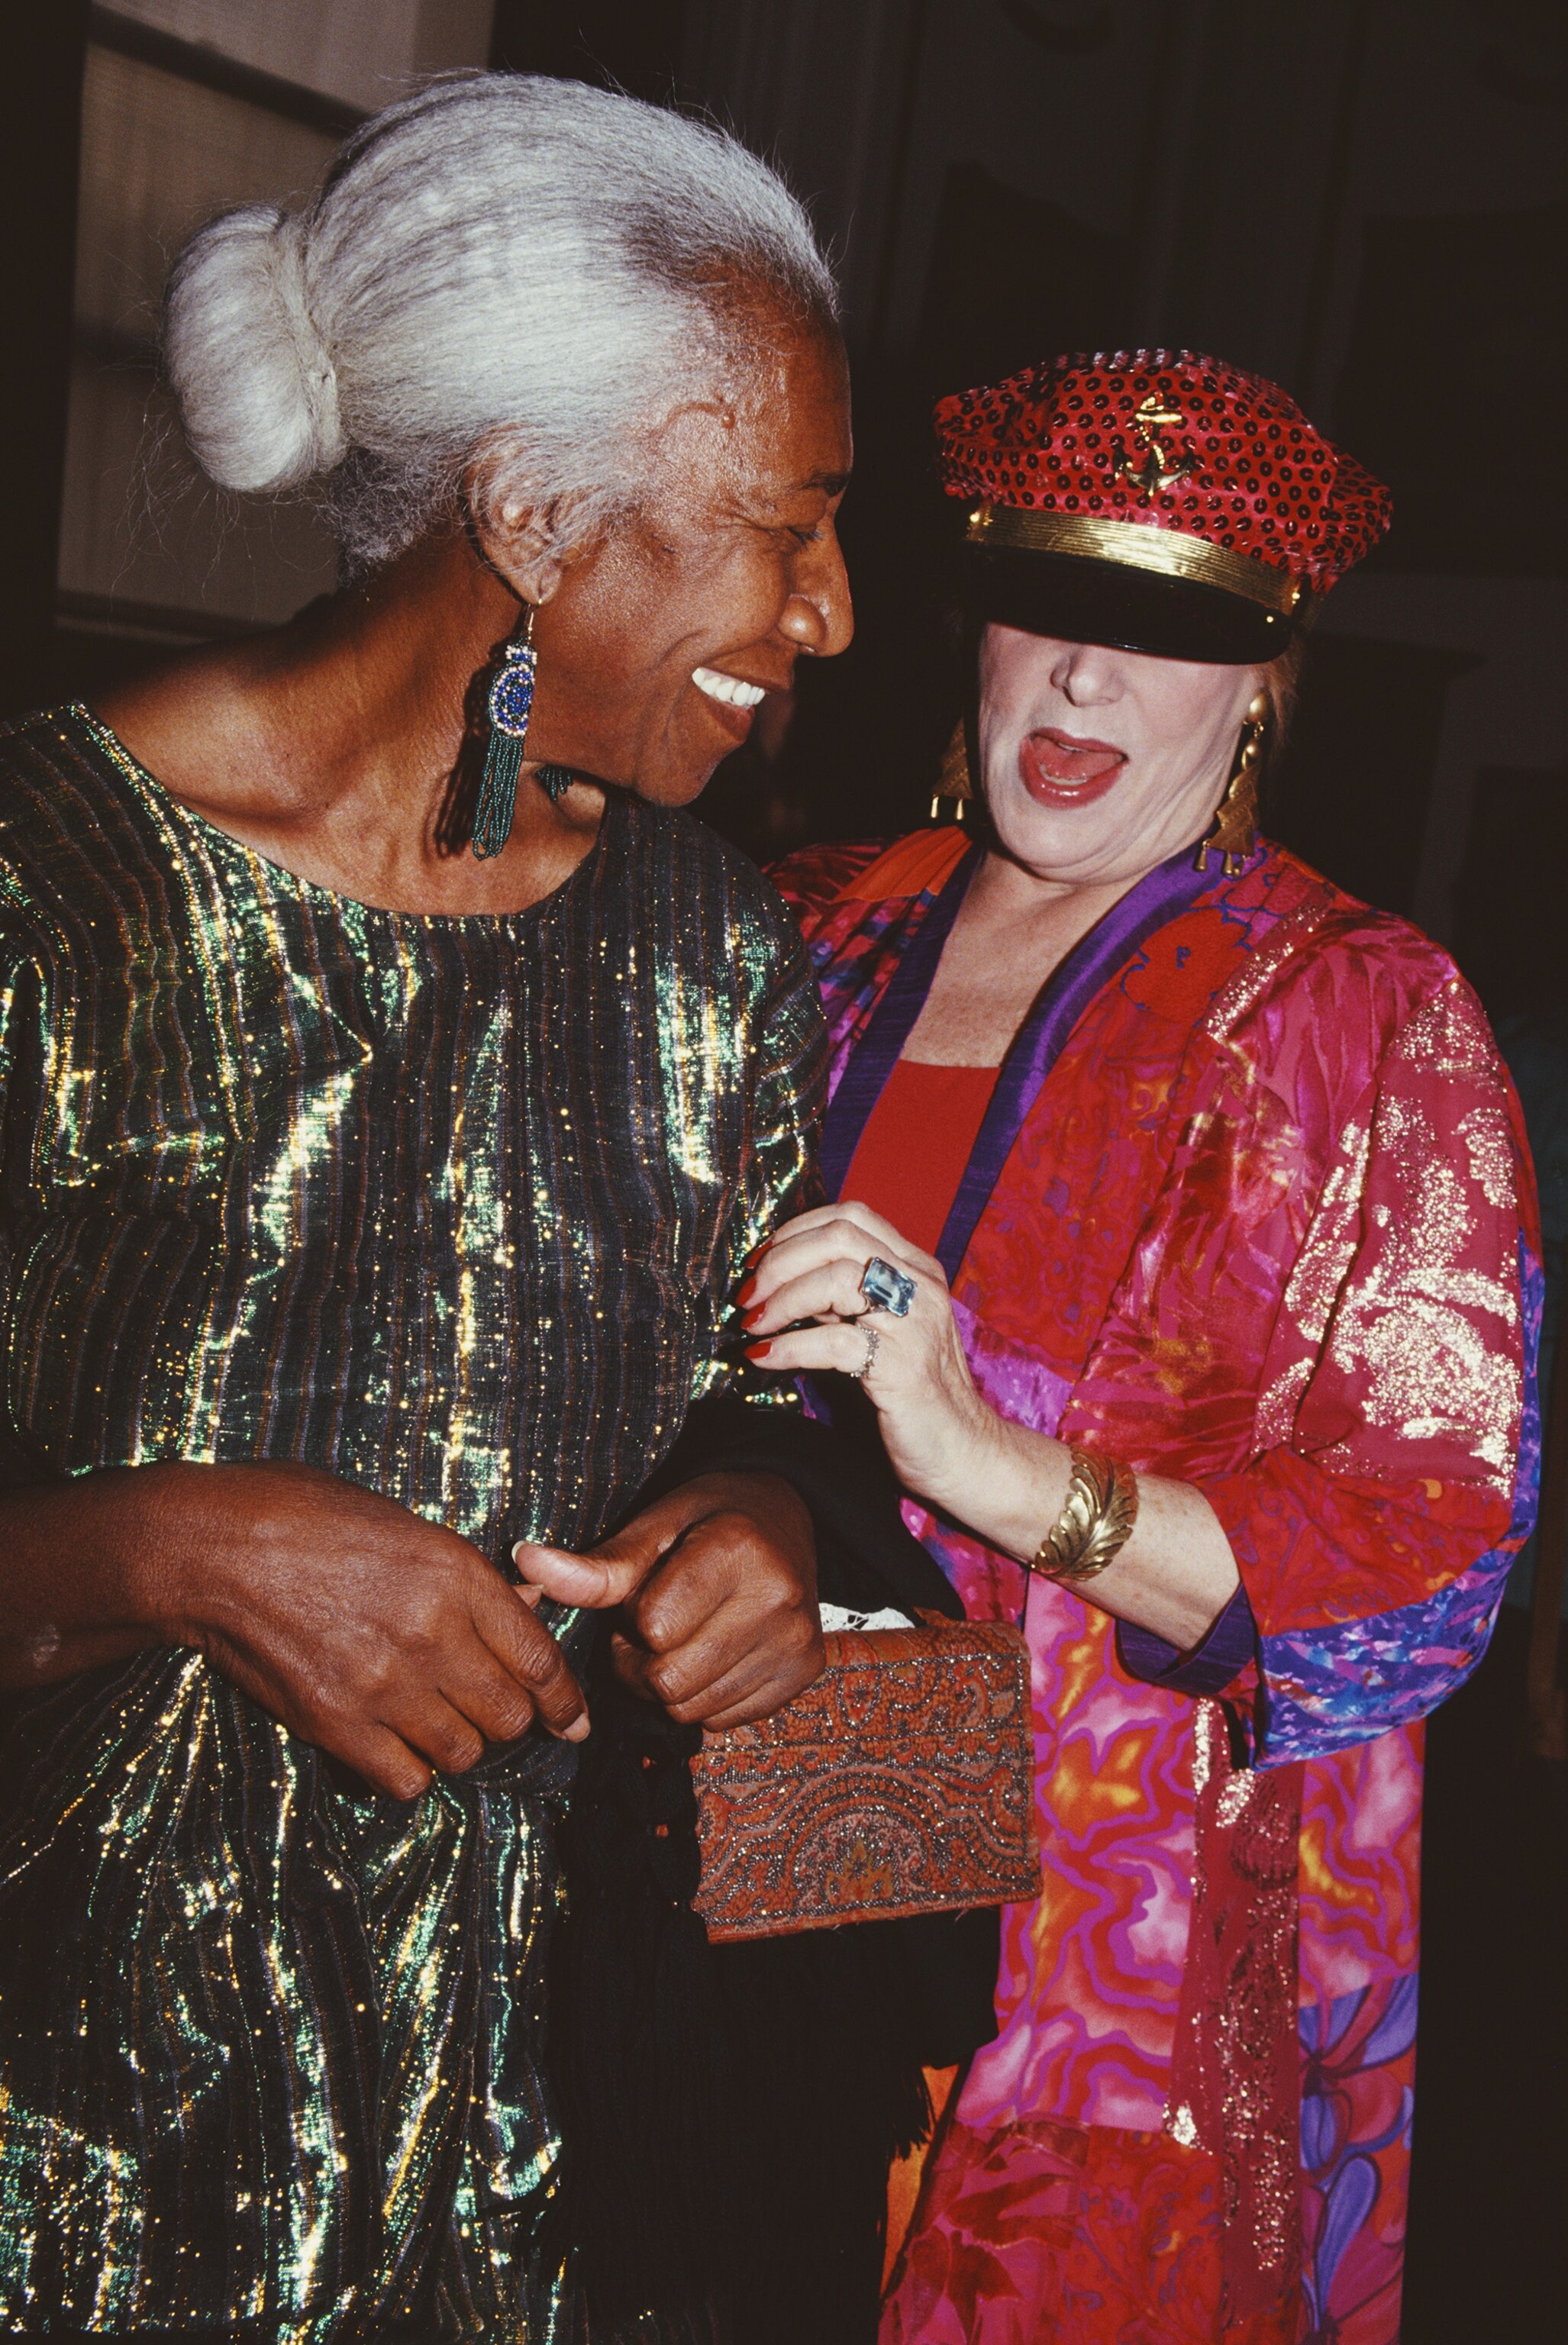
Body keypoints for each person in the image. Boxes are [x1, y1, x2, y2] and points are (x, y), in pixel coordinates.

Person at [0, 74, 855, 2341]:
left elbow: (782, 1398)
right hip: (79, 2169)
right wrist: (162, 1548)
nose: (838, 611)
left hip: (564, 2166)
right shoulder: (47, 901)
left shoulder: (718, 957)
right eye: (791, 526)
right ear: (541, 511)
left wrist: (759, 1516)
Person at [749, 350, 1542, 2344]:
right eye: (1055, 603)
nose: (1091, 677)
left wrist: (996, 1467)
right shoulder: (808, 924)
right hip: (787, 1749)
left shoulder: (1367, 1015)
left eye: (1168, 625)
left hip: (1123, 1882)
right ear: (978, 626)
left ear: (1262, 679)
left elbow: (1432, 1556)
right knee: (782, 2235)